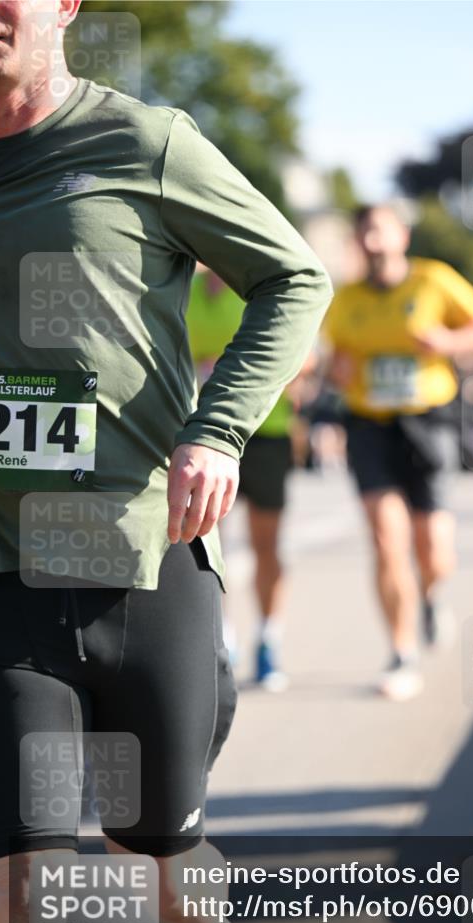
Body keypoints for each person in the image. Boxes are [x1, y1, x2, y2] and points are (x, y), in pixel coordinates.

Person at [0, 3, 333, 923]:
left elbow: (293, 278)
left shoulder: (144, 142)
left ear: (65, 5)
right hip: (3, 572)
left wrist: (217, 429)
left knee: (167, 872)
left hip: (140, 563)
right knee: (22, 900)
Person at [324, 203, 473, 700]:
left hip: (429, 420)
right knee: (386, 539)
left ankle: (432, 592)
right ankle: (401, 653)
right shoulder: (346, 299)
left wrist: (447, 341)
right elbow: (335, 359)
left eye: (379, 231)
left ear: (401, 236)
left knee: (434, 550)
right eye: (363, 233)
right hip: (369, 423)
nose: (372, 241)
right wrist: (338, 370)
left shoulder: (433, 280)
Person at [187, 266, 307, 691]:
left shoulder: (259, 284)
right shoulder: (183, 288)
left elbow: (303, 353)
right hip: (201, 435)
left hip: (265, 433)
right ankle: (223, 636)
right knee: (206, 541)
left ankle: (269, 639)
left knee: (265, 544)